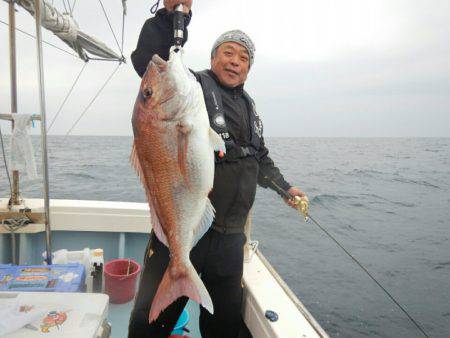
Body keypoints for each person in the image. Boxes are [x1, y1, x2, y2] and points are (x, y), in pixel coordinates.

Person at [128, 1, 306, 337]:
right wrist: (171, 17)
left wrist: (285, 188)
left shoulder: (249, 107)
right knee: (146, 326)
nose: (235, 61)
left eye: (243, 57)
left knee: (223, 328)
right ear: (212, 58)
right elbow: (149, 62)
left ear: (248, 69)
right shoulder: (191, 88)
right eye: (227, 52)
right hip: (180, 235)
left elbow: (259, 158)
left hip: (228, 242)